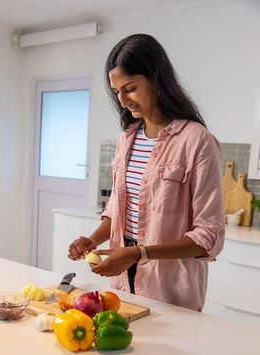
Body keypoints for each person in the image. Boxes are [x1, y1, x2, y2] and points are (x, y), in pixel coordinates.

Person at [68, 33, 225, 312]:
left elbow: (207, 237)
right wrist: (92, 240)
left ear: (156, 79)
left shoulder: (197, 140)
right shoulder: (127, 139)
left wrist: (139, 253)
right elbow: (117, 211)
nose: (123, 100)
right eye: (117, 92)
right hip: (121, 280)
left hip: (170, 287)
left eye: (130, 88)